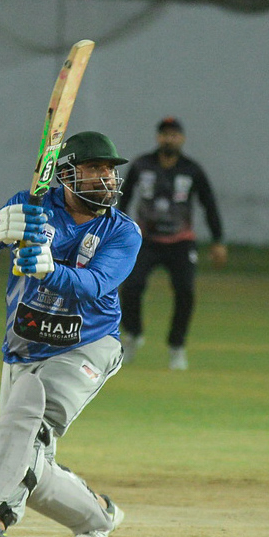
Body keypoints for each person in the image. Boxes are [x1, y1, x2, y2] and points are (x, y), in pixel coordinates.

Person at [0, 131, 141, 537]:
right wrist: (0, 229)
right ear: (67, 173)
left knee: (29, 420)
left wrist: (49, 269)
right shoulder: (32, 205)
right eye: (95, 168)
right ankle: (97, 516)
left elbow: (96, 284)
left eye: (110, 170)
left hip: (88, 344)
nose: (106, 177)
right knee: (27, 456)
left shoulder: (123, 232)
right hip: (25, 345)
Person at [117, 117, 227, 371]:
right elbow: (124, 197)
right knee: (130, 286)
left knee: (185, 292)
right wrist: (118, 231)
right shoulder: (142, 165)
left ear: (182, 138)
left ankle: (177, 346)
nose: (169, 139)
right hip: (146, 239)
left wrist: (218, 240)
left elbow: (209, 203)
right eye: (165, 134)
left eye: (174, 134)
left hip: (181, 242)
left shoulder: (192, 169)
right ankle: (133, 333)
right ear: (158, 137)